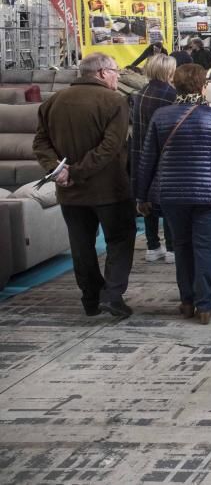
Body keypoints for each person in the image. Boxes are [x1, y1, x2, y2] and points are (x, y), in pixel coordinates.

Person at [135, 64, 211, 325]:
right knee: (205, 247)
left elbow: (147, 159)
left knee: (181, 246)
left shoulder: (161, 117)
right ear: (203, 86)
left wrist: (141, 195)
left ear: (176, 85)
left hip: (171, 195)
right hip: (209, 194)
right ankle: (205, 305)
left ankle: (186, 301)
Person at [33, 52, 136, 317]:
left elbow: (40, 144)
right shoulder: (115, 101)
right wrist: (76, 172)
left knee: (81, 246)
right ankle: (112, 295)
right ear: (102, 73)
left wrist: (58, 171)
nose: (118, 76)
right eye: (116, 71)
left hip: (69, 192)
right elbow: (110, 148)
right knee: (120, 240)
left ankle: (90, 298)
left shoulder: (53, 101)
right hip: (110, 189)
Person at [129, 53, 177, 263]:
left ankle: (152, 246)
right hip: (164, 154)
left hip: (140, 152)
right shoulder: (170, 94)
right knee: (167, 200)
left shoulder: (140, 94)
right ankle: (172, 248)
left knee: (147, 198)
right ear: (168, 71)